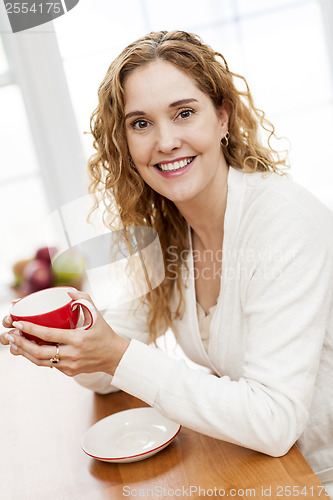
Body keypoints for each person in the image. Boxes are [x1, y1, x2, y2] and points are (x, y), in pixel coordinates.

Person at [2, 30, 333, 495]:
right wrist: (69, 339)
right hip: (262, 474)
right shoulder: (169, 231)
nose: (166, 141)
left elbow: (274, 421)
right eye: (141, 123)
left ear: (222, 116)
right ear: (125, 144)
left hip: (313, 478)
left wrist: (114, 353)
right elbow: (107, 373)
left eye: (183, 113)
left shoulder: (282, 225)